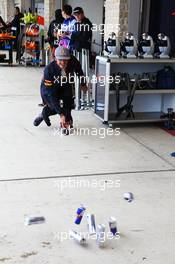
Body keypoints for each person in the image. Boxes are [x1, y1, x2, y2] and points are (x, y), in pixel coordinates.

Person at [33, 46, 88, 131]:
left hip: (65, 83)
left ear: (69, 59)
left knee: (69, 102)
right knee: (53, 107)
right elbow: (51, 95)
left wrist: (83, 83)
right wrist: (61, 115)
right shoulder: (49, 70)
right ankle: (44, 113)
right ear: (55, 59)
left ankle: (66, 122)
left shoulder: (73, 61)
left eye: (65, 60)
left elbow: (79, 70)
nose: (63, 63)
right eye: (60, 60)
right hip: (49, 88)